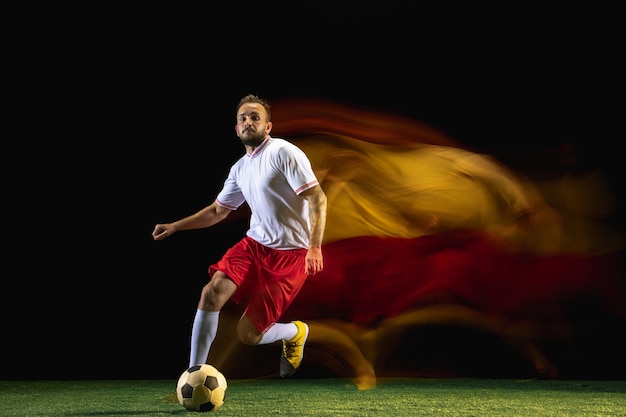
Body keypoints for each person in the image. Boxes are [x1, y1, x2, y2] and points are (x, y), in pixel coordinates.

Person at [152, 94, 327, 378]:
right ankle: (193, 374)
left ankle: (295, 332)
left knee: (248, 334)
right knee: (211, 293)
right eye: (243, 118)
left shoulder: (283, 152)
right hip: (254, 246)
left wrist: (314, 246)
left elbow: (317, 198)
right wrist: (175, 226)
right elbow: (217, 211)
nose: (248, 122)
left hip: (290, 255)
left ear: (268, 126)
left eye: (255, 117)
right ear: (236, 129)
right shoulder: (240, 168)